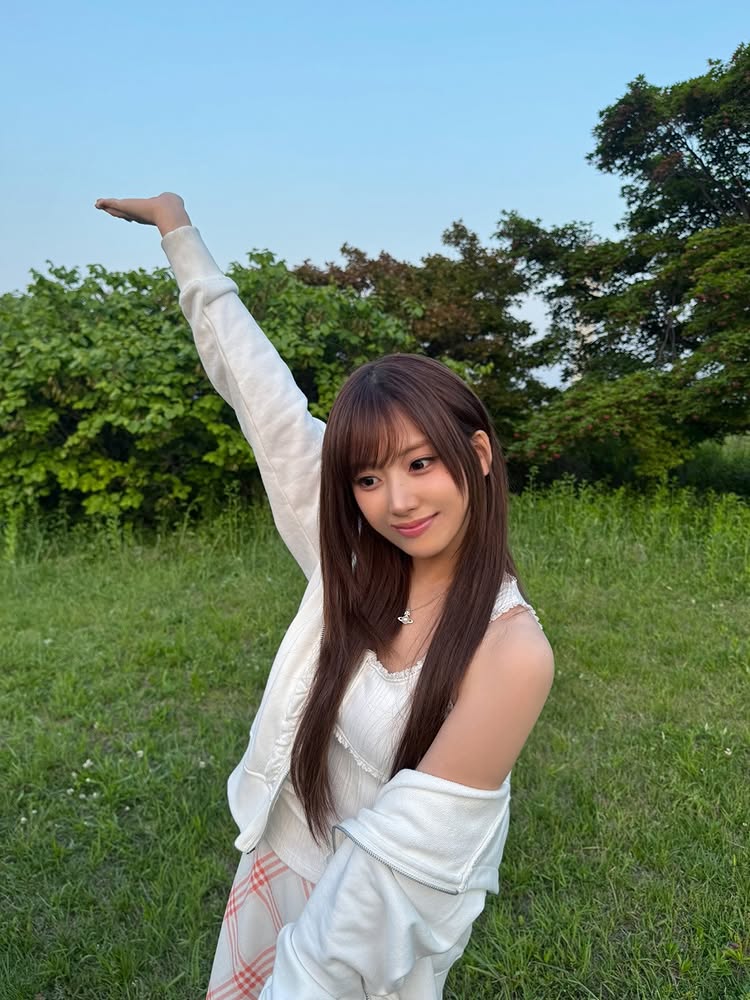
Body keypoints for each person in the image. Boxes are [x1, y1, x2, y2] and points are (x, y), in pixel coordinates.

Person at [95, 192, 555, 1000]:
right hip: (277, 866)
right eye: (368, 478)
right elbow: (262, 397)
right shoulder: (351, 559)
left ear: (478, 455)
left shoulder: (510, 651)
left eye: (420, 463)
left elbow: (396, 879)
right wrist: (178, 231)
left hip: (367, 946)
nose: (398, 502)